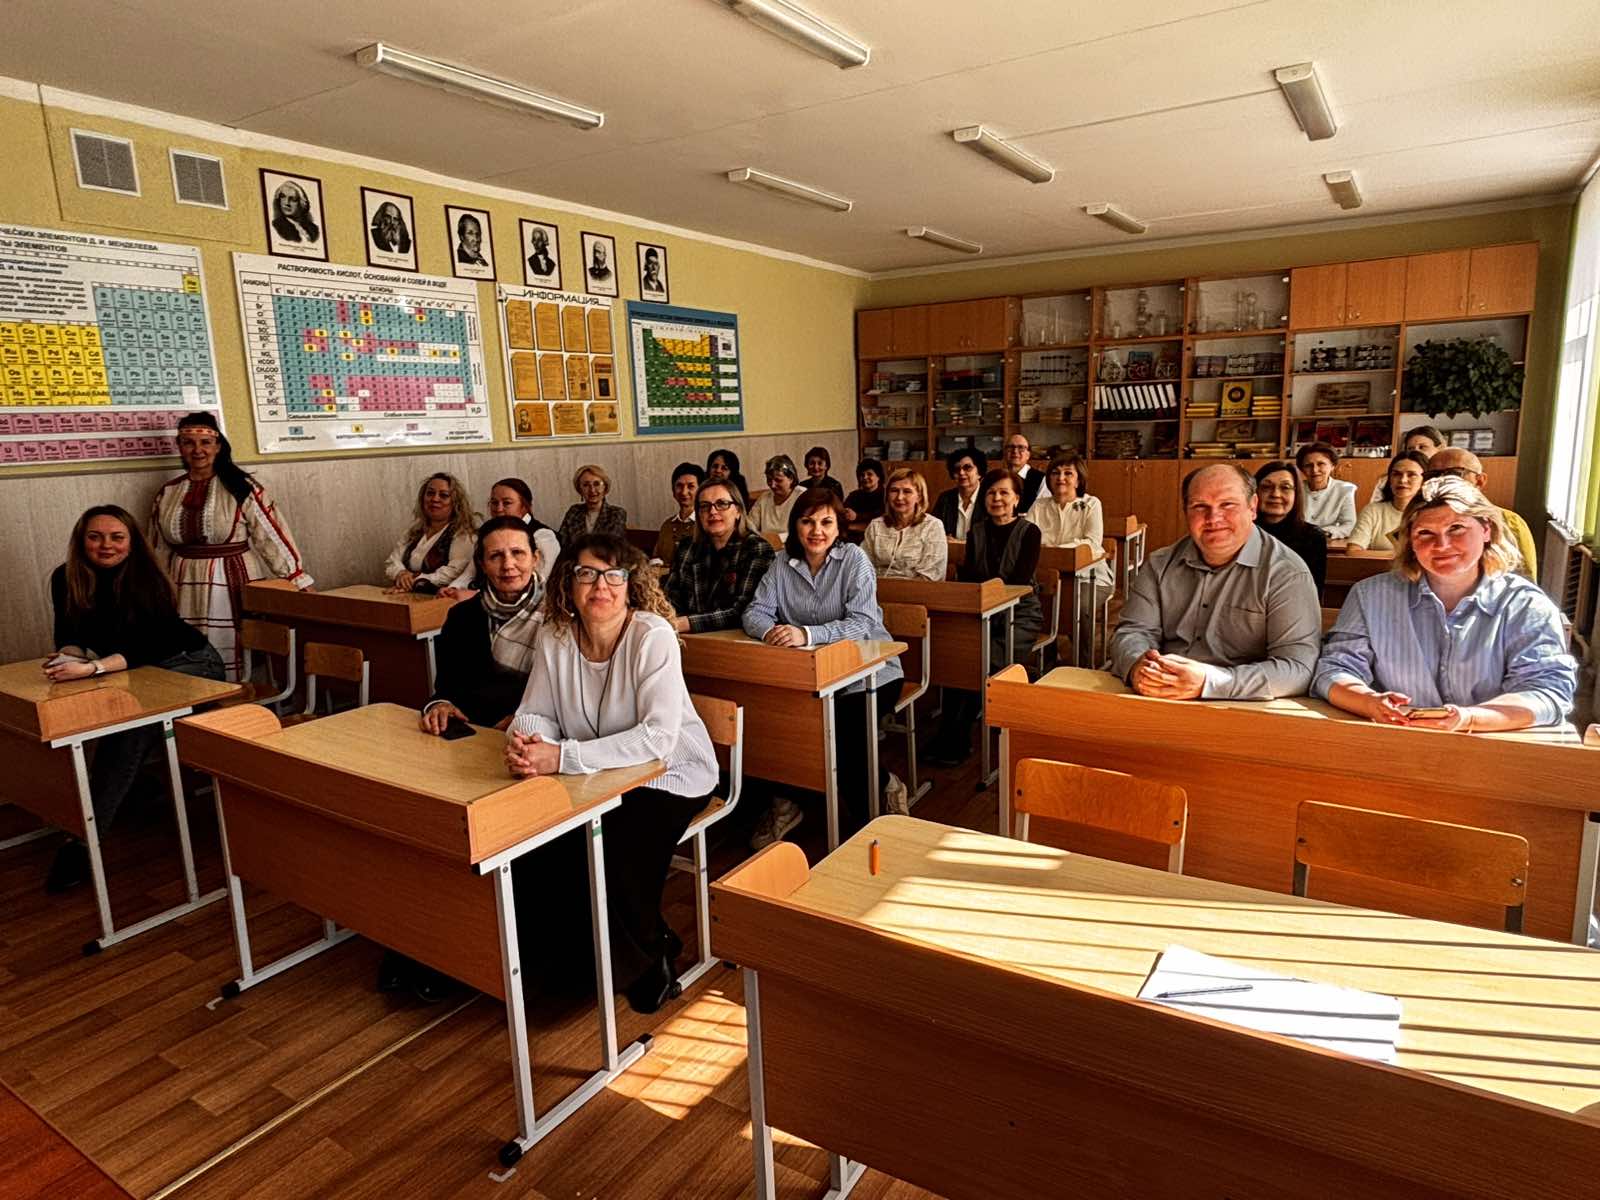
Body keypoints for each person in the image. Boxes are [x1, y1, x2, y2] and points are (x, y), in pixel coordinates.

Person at [506, 533, 718, 1013]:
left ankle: (649, 957)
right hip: (596, 775)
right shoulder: (556, 635)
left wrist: (561, 757)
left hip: (670, 772)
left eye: (613, 575)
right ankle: (568, 969)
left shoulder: (651, 636)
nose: (600, 585)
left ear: (629, 584)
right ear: (568, 583)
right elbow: (535, 711)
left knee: (616, 843)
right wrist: (527, 741)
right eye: (587, 574)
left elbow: (656, 739)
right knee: (546, 840)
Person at [42, 506, 227, 893]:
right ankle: (131, 789)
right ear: (81, 541)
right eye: (95, 537)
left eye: (117, 537)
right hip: (134, 668)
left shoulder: (147, 577)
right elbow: (69, 633)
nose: (105, 545)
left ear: (132, 542)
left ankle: (82, 843)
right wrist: (68, 659)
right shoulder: (65, 576)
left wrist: (93, 669)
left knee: (131, 726)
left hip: (190, 664)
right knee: (87, 716)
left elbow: (147, 646)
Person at [1313, 476, 1575, 732]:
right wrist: (1369, 702)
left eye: (1456, 528)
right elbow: (1335, 670)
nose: (1442, 545)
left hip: (1490, 744)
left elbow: (1547, 691)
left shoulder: (1526, 605)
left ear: (1486, 530)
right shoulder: (1369, 595)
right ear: (1410, 541)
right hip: (1396, 737)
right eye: (1425, 533)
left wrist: (1470, 719)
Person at [743, 489, 904, 846]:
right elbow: (754, 612)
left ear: (838, 527)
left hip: (870, 671)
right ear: (795, 526)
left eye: (826, 522)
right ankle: (790, 802)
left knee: (846, 735)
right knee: (779, 723)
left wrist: (806, 634)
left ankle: (871, 825)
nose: (817, 531)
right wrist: (771, 631)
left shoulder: (854, 560)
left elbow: (862, 623)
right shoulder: (781, 563)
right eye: (808, 522)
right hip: (810, 674)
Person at [1109, 464, 1322, 701]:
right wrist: (1138, 665)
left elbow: (1298, 667)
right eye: (1200, 506)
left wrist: (1209, 682)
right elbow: (1133, 631)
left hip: (1237, 704)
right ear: (1186, 511)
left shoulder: (1287, 573)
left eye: (1227, 504)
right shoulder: (1159, 564)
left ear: (1253, 507)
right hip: (1157, 692)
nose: (1213, 518)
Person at [150, 412, 312, 681]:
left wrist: (296, 578)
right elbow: (158, 547)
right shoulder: (168, 492)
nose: (198, 450)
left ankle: (237, 697)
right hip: (182, 582)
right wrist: (156, 589)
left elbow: (271, 534)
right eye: (189, 443)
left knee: (232, 645)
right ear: (180, 447)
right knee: (189, 647)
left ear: (218, 446)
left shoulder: (241, 487)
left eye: (205, 442)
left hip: (230, 579)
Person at [927, 469, 1042, 766]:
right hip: (982, 611)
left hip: (1020, 613)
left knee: (982, 659)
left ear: (1017, 499)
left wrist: (986, 589)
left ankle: (958, 735)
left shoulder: (1030, 532)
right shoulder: (975, 532)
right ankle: (950, 731)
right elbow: (970, 576)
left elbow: (1018, 581)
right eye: (991, 493)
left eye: (1004, 493)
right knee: (959, 656)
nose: (997, 498)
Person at [1026, 453, 1113, 653]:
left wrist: (1054, 551)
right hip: (1048, 577)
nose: (1061, 478)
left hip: (1090, 578)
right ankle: (1048, 658)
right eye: (1055, 473)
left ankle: (1084, 660)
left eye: (1068, 473)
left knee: (1078, 607)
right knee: (1040, 604)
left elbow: (1091, 543)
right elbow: (1027, 538)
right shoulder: (1039, 505)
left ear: (1078, 480)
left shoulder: (1091, 504)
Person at [666, 479, 776, 632]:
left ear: (738, 511)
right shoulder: (687, 548)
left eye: (722, 504)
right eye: (705, 506)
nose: (712, 512)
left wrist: (683, 623)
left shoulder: (757, 549)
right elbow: (670, 599)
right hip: (685, 637)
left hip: (734, 639)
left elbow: (743, 611)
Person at [1425, 448, 1538, 578]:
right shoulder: (1419, 522)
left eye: (1454, 474)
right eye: (1433, 475)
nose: (1443, 480)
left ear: (1480, 480)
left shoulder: (1511, 523)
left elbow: (1526, 576)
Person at [443, 479, 559, 598]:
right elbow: (470, 573)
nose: (498, 509)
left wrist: (476, 596)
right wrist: (452, 588)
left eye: (507, 503)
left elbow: (538, 585)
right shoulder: (488, 533)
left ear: (524, 507)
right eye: (494, 503)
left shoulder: (543, 536)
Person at [384, 473, 475, 593]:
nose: (435, 499)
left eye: (444, 495)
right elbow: (392, 561)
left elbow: (454, 571)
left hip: (441, 597)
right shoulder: (414, 531)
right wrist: (401, 574)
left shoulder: (463, 535)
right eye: (430, 493)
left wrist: (415, 580)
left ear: (455, 503)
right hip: (406, 594)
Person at [1253, 460, 1327, 595]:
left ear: (1296, 494)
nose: (1275, 494)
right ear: (1255, 493)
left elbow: (1313, 592)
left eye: (1285, 487)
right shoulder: (1244, 532)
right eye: (1266, 487)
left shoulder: (1312, 537)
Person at [862, 468, 948, 581]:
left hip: (917, 590)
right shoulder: (876, 525)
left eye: (907, 491)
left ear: (919, 497)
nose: (899, 497)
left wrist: (899, 590)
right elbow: (862, 566)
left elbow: (931, 575)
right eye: (894, 490)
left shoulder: (932, 526)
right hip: (875, 588)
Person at [1348, 451, 1428, 550]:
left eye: (1411, 475)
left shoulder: (1432, 513)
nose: (1402, 480)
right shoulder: (1373, 511)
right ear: (1389, 479)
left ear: (1425, 480)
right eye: (1396, 474)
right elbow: (1353, 551)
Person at [1296, 442, 1357, 539]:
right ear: (1302, 469)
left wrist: (1325, 532)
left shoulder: (1345, 489)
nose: (1315, 470)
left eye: (1321, 464)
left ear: (1332, 466)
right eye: (1308, 465)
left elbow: (1350, 525)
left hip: (1329, 541)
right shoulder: (1295, 489)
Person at [1367, 425, 1444, 502]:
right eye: (1410, 448)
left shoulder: (1445, 480)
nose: (1416, 451)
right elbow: (1375, 505)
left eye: (1422, 447)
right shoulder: (1387, 480)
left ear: (1440, 449)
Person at [557, 464, 627, 545]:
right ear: (580, 489)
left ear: (605, 487)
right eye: (586, 485)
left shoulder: (617, 513)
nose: (592, 490)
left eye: (596, 484)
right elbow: (561, 542)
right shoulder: (574, 511)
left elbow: (609, 546)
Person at [929, 446, 988, 539]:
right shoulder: (945, 499)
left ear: (979, 472)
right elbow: (932, 530)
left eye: (967, 468)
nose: (961, 473)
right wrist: (943, 538)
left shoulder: (988, 498)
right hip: (950, 548)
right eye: (957, 469)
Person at [655, 462, 703, 565]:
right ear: (673, 491)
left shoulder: (705, 524)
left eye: (691, 486)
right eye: (679, 486)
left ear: (701, 491)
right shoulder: (667, 525)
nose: (684, 492)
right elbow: (656, 557)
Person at [748, 454, 801, 535]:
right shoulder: (764, 498)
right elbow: (750, 524)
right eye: (769, 480)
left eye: (778, 480)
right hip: (765, 541)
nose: (772, 485)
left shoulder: (802, 496)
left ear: (791, 478)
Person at [1003, 433, 1045, 511]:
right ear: (1004, 453)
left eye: (1021, 447)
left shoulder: (1042, 479)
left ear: (1028, 454)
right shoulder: (997, 478)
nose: (1015, 451)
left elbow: (1042, 510)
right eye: (1011, 447)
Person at [270, 180, 319, 245]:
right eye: (283, 197)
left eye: (293, 199)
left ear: (301, 203)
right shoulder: (277, 225)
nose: (286, 203)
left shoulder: (313, 229)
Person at [842, 458, 885, 524]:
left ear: (878, 477)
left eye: (869, 474)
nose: (865, 477)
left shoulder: (886, 495)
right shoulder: (854, 495)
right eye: (862, 475)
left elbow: (880, 515)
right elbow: (844, 510)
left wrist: (857, 516)